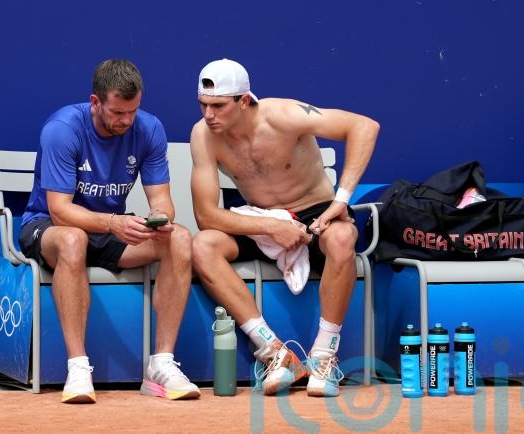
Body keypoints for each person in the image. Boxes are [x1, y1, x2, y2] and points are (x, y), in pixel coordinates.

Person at [190, 59, 379, 397]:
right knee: (203, 245)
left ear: (243, 101)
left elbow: (364, 127)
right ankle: (274, 352)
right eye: (203, 105)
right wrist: (271, 227)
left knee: (341, 237)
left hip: (315, 212)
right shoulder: (203, 135)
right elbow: (206, 216)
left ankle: (323, 356)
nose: (208, 115)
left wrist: (342, 199)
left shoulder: (284, 115)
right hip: (262, 219)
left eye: (218, 106)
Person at [19, 59, 199, 403]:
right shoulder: (62, 129)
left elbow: (161, 199)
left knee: (178, 238)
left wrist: (158, 219)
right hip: (49, 227)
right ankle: (77, 368)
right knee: (73, 239)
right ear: (95, 102)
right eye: (118, 112)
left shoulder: (149, 129)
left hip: (107, 228)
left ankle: (161, 364)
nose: (126, 121)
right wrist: (115, 223)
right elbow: (59, 210)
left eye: (133, 111)